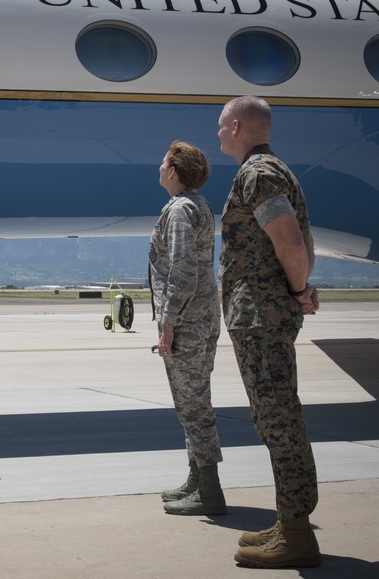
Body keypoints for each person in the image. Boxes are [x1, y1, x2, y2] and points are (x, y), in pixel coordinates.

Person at [217, 96, 321, 568]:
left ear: (236, 125)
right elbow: (302, 241)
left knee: (279, 419)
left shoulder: (258, 174)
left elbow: (291, 242)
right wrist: (299, 287)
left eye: (221, 126)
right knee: (274, 418)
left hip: (261, 317)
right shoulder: (275, 170)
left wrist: (298, 290)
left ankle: (298, 535)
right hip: (263, 314)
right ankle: (289, 521)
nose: (218, 133)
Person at [149, 141, 225, 517]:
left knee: (193, 406)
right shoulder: (200, 204)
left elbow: (182, 272)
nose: (160, 168)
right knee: (191, 402)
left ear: (175, 171)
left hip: (188, 320)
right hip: (203, 314)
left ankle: (209, 491)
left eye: (164, 163)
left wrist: (168, 326)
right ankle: (196, 479)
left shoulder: (180, 210)